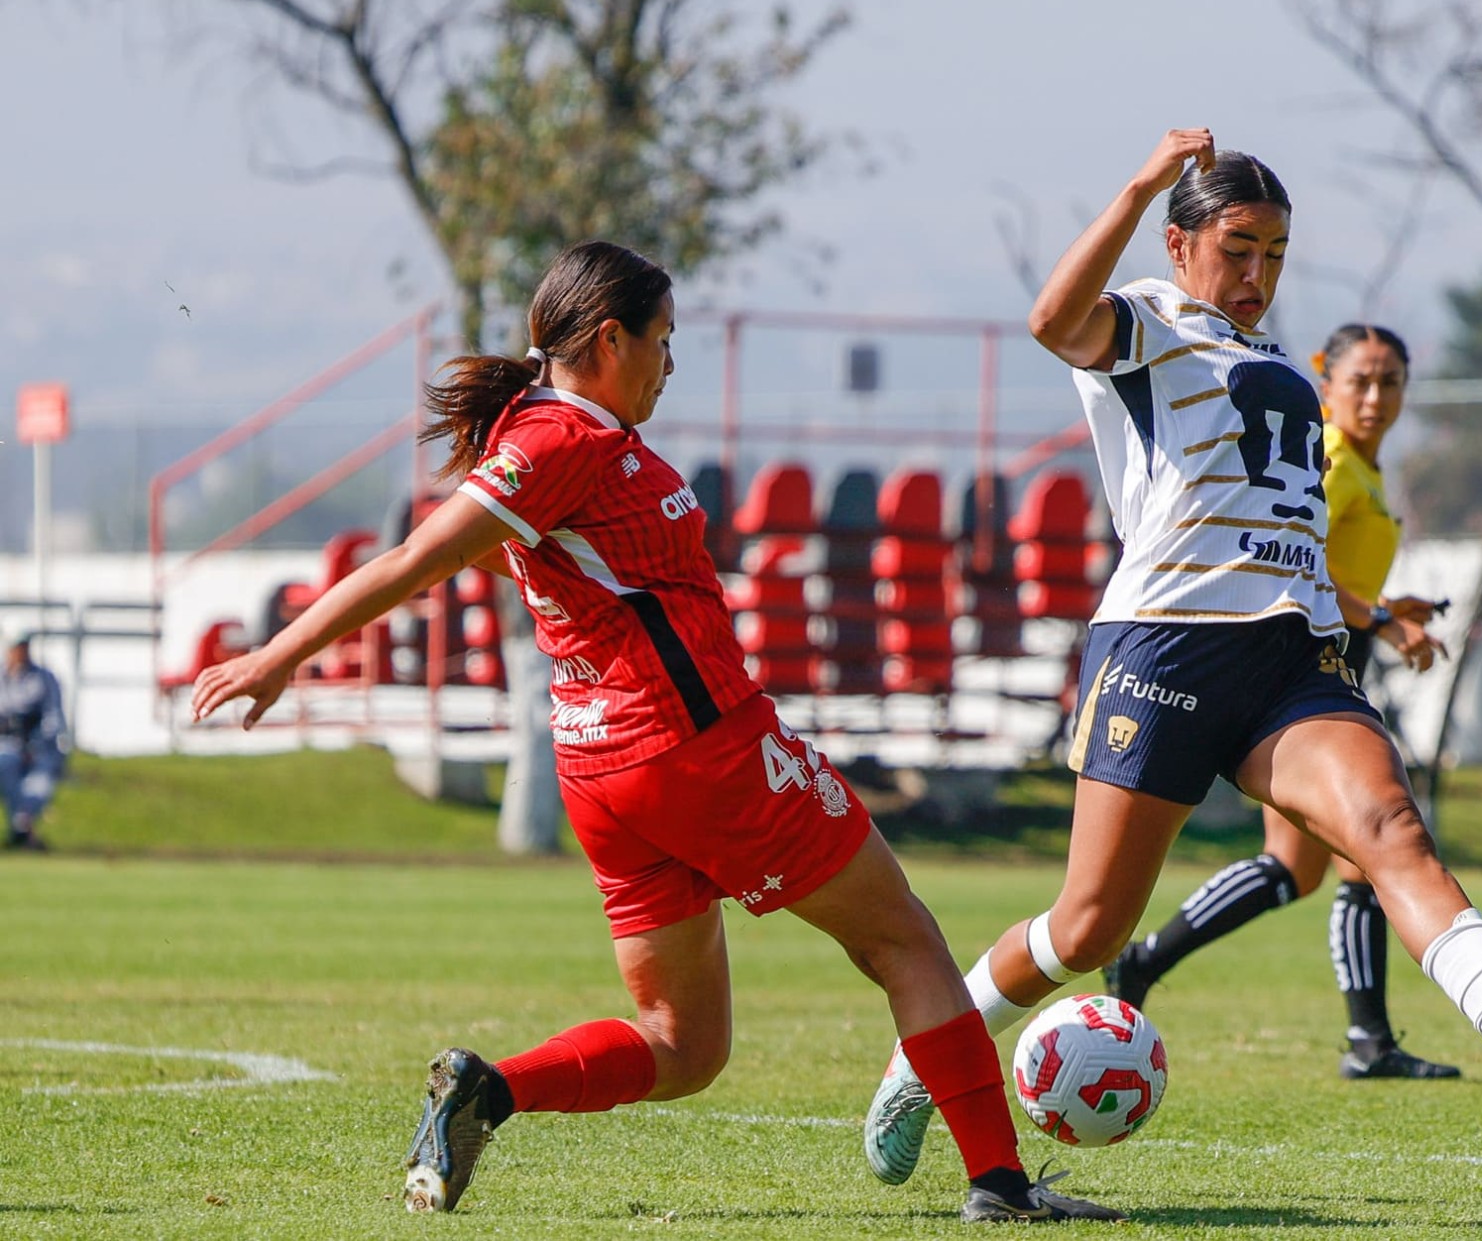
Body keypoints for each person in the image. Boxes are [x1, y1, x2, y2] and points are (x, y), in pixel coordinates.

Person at [191, 241, 1119, 1224]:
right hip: (700, 750)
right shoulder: (562, 441)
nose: (671, 363)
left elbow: (517, 554)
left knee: (683, 1045)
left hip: (605, 773)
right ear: (609, 339)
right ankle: (1001, 1185)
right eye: (663, 340)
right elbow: (416, 559)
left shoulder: (563, 434)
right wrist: (278, 656)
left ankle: (487, 1092)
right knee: (907, 942)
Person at [863, 130, 1482, 1188]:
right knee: (1088, 927)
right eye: (1237, 248)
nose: (1257, 275)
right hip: (1167, 646)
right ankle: (923, 1062)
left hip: (1290, 657)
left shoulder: (1272, 358)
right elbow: (1049, 322)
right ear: (1179, 244)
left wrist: (1352, 616)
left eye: (1274, 253)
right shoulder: (1147, 320)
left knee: (1389, 829)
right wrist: (1141, 182)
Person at [1105, 323, 1463, 1081]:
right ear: (1325, 382)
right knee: (1353, 859)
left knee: (1299, 868)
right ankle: (1368, 1041)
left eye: (1390, 382)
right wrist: (1381, 619)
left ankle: (1144, 961)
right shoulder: (1328, 457)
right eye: (1360, 380)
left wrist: (1386, 606)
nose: (1375, 397)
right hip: (1297, 672)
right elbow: (1296, 563)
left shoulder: (1361, 467)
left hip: (1326, 665)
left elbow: (1334, 572)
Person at [2, 633, 67, 852]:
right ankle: (20, 830)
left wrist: (34, 745)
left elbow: (53, 718)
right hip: (5, 747)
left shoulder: (44, 679)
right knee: (6, 767)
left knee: (39, 784)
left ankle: (22, 830)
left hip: (37, 747)